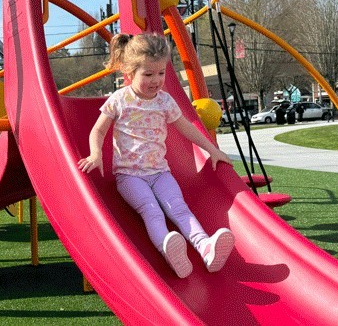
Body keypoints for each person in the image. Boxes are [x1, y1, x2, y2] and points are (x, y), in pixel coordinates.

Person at [78, 33, 235, 278]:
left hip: (160, 172)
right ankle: (168, 249)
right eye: (148, 74)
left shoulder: (164, 101)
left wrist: (212, 149)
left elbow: (186, 127)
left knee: (180, 209)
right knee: (152, 210)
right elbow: (98, 130)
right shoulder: (120, 100)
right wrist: (95, 154)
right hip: (129, 177)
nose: (155, 80)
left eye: (161, 73)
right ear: (130, 73)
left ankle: (205, 248)